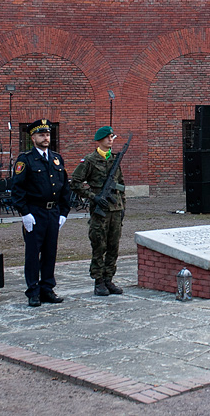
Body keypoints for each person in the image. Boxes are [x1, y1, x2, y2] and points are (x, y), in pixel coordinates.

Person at [10, 119, 72, 307]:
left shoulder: (56, 158)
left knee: (50, 252)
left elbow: (64, 186)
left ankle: (47, 288)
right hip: (35, 212)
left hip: (52, 212)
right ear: (33, 137)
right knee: (32, 253)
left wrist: (63, 211)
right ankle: (33, 291)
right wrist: (24, 212)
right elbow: (17, 188)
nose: (46, 138)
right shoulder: (25, 159)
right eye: (41, 135)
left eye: (47, 135)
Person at [70, 126, 127, 296]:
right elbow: (75, 183)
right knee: (99, 245)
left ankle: (109, 279)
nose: (111, 140)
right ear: (100, 139)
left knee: (113, 246)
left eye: (112, 137)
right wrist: (93, 197)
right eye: (108, 137)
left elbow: (121, 185)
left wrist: (123, 205)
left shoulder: (115, 160)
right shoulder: (90, 160)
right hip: (100, 210)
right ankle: (98, 281)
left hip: (115, 210)